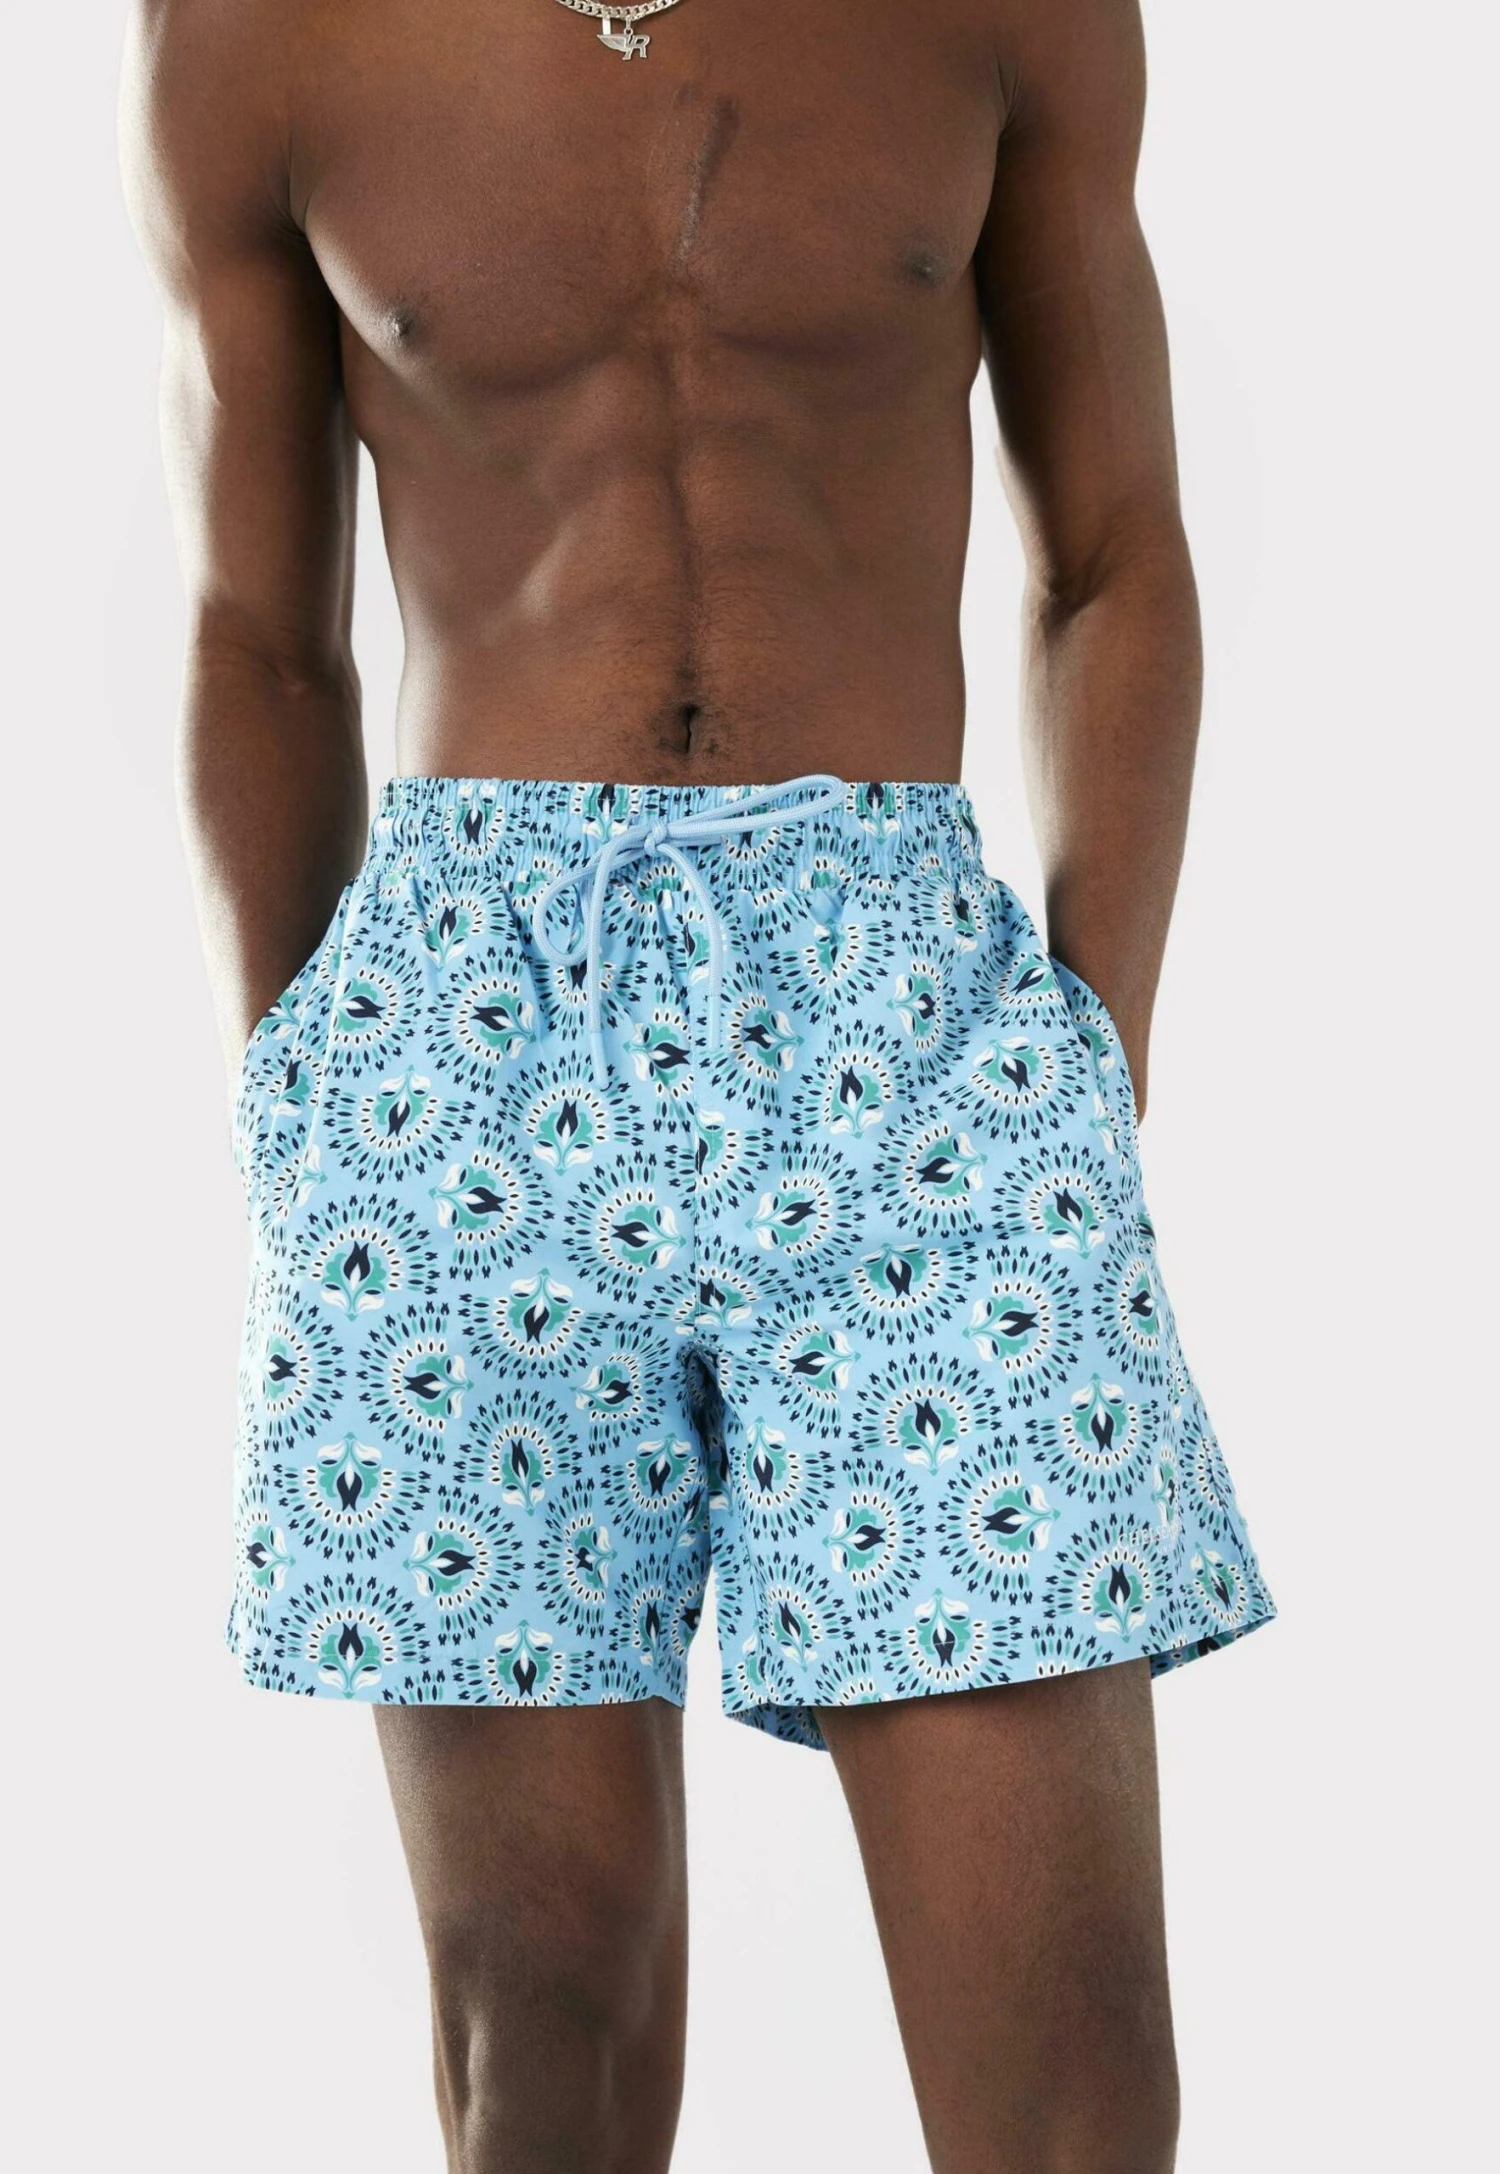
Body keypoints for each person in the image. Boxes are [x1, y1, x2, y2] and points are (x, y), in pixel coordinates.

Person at [122, 1, 1274, 2167]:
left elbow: (1114, 550)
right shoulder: (256, 33)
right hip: (458, 1065)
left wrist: (1083, 1066)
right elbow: (259, 638)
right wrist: (297, 1093)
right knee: (538, 2037)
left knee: (1074, 2078)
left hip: (909, 1033)